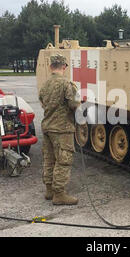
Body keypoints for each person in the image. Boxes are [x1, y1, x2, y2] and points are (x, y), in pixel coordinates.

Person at [39, 54, 80, 205]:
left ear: (51, 67)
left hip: (47, 127)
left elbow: (43, 102)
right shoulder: (67, 84)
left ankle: (49, 190)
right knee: (63, 160)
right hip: (62, 129)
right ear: (64, 67)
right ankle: (59, 194)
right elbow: (74, 105)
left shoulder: (46, 85)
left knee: (49, 160)